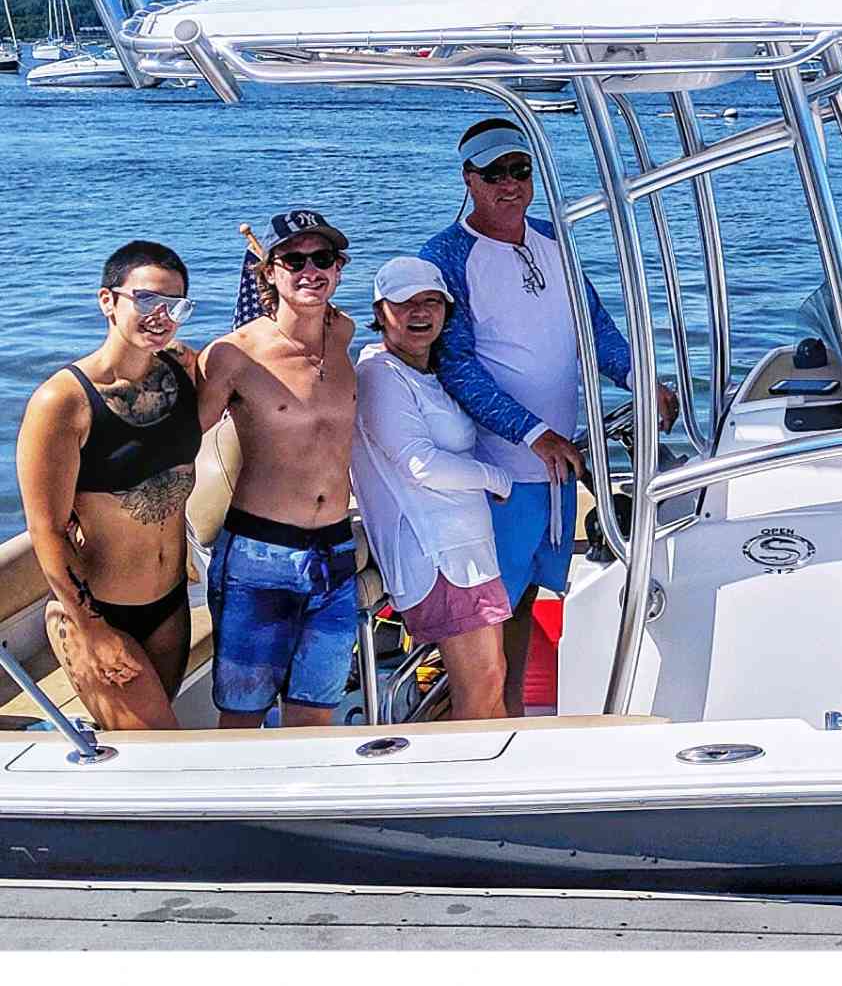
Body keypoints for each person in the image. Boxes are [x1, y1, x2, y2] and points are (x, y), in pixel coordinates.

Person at [421, 118, 678, 716]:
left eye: (519, 171)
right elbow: (456, 367)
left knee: (527, 597)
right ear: (469, 179)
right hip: (499, 472)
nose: (509, 184)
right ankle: (474, 729)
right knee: (488, 611)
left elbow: (596, 328)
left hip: (559, 470)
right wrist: (533, 434)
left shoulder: (553, 241)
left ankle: (507, 719)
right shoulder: (445, 258)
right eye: (493, 174)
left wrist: (644, 382)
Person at [16, 241, 202, 730]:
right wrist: (92, 628)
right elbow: (47, 531)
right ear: (108, 301)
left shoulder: (182, 372)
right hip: (102, 612)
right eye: (145, 301)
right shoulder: (62, 402)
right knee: (164, 754)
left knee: (153, 749)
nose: (161, 316)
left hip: (170, 605)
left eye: (175, 305)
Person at [195, 209, 358, 728]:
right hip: (258, 557)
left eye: (323, 258)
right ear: (267, 272)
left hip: (335, 552)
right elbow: (178, 443)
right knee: (243, 721)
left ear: (339, 268)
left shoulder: (344, 331)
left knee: (315, 716)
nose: (310, 271)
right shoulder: (232, 355)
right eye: (293, 260)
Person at [351, 256, 512, 721]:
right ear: (381, 313)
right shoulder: (380, 374)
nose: (420, 314)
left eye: (431, 302)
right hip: (436, 558)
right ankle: (461, 789)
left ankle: (495, 789)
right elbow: (420, 464)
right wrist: (494, 478)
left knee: (490, 682)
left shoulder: (427, 374)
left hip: (468, 553)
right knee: (480, 689)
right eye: (405, 305)